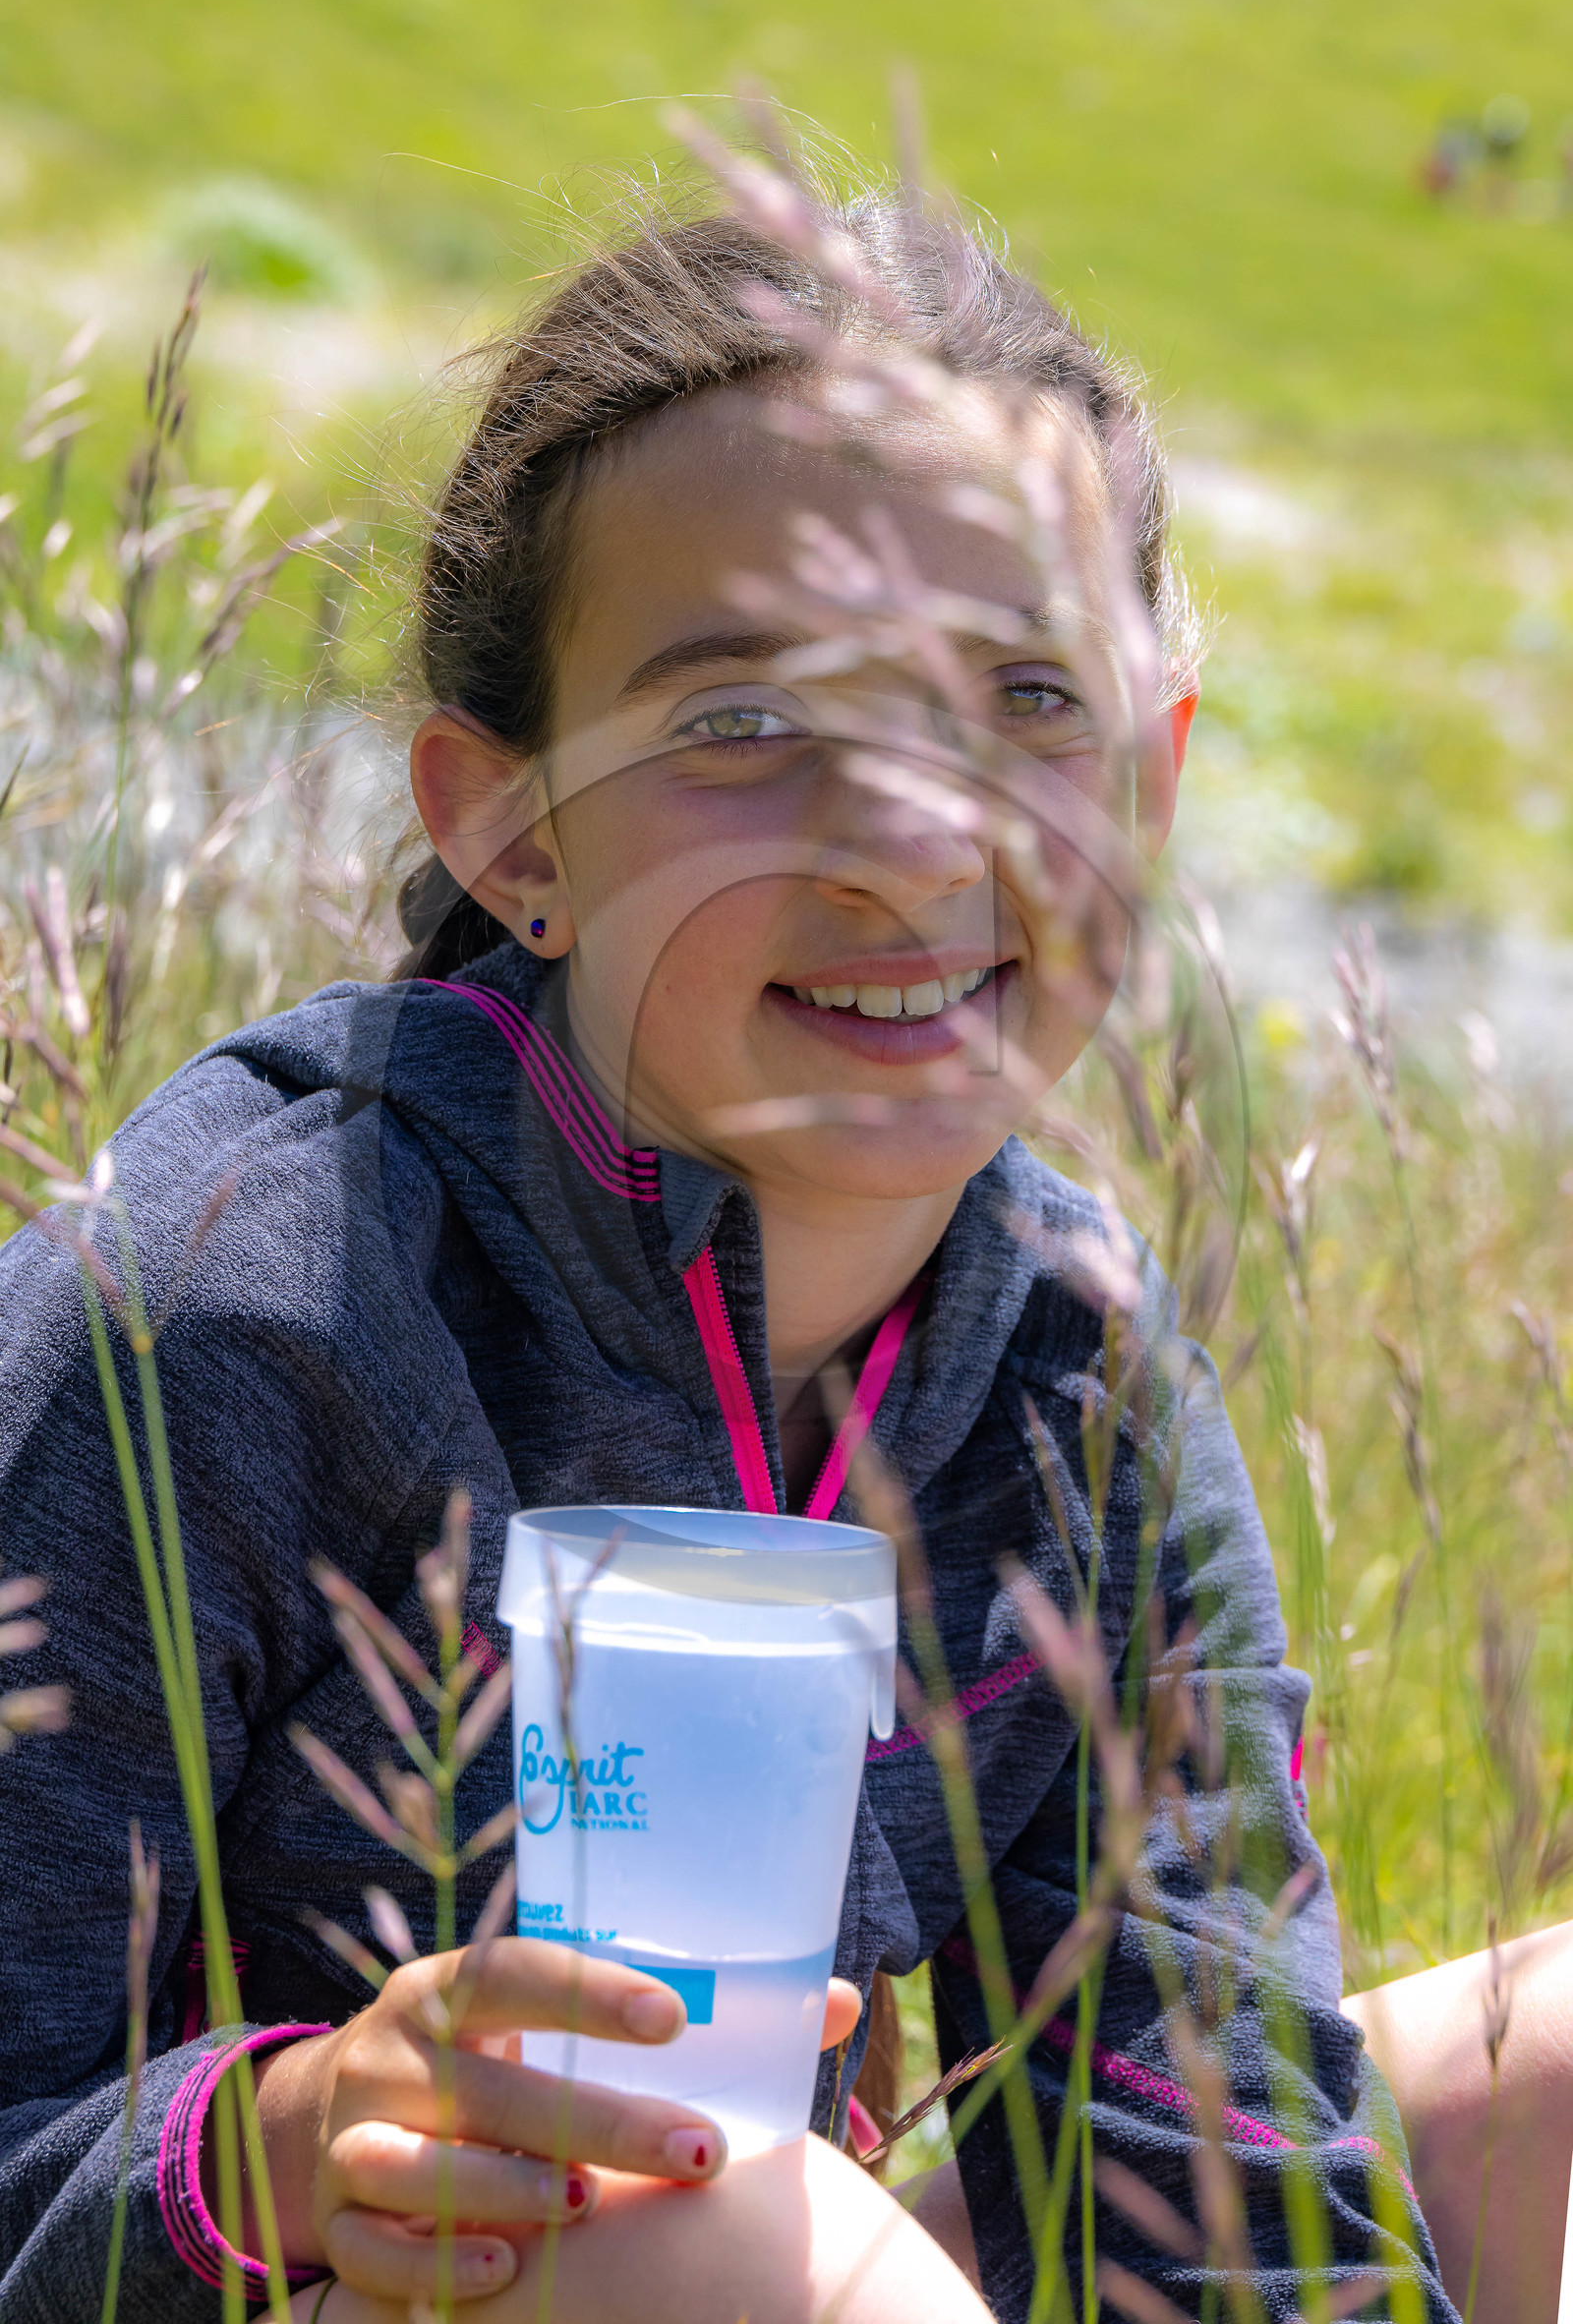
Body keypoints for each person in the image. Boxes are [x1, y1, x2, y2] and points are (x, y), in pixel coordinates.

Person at [0, 171, 1457, 2324]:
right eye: (741, 724)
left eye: (1023, 701)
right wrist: (288, 2145)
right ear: (508, 830)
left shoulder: (1079, 1382)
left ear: (1146, 794)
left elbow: (1214, 2170)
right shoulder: (227, 1304)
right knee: (676, 2189)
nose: (910, 844)